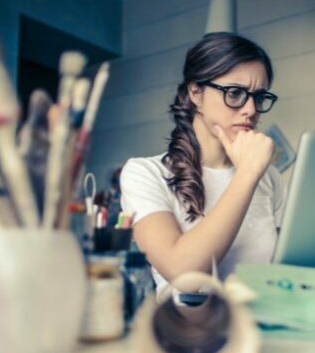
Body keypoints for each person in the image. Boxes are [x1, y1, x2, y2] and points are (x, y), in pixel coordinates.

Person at [120, 32, 285, 296]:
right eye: (234, 93)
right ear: (196, 92)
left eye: (259, 97)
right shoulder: (144, 173)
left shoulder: (270, 178)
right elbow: (185, 276)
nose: (251, 110)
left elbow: (282, 272)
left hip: (261, 329)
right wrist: (247, 174)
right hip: (187, 331)